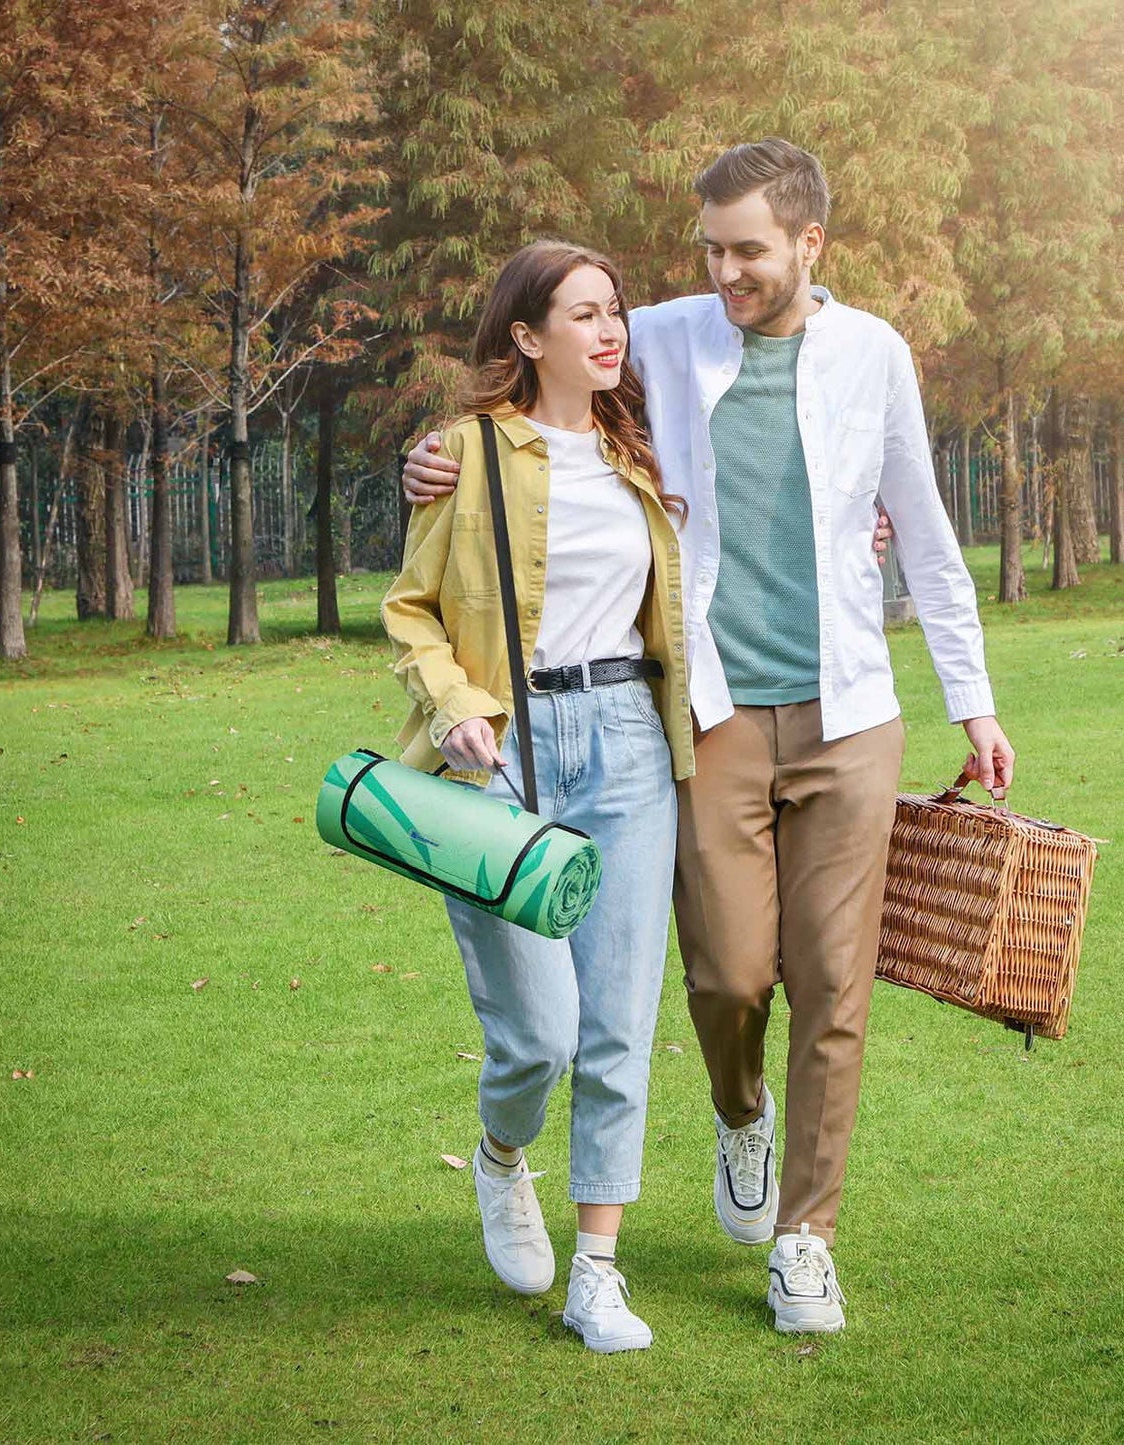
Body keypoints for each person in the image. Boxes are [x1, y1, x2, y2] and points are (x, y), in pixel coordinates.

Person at [401, 140, 1016, 1334]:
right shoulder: (667, 335)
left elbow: (923, 535)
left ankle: (804, 1239)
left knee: (834, 983)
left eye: (747, 250)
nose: (724, 271)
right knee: (729, 974)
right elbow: (530, 422)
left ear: (807, 246)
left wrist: (972, 699)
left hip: (850, 709)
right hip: (711, 710)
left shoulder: (872, 354)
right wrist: (417, 458)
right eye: (711, 250)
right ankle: (741, 1113)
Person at [380, 240, 694, 1353]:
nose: (609, 332)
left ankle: (597, 1272)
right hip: (498, 751)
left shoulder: (640, 453)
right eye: (582, 314)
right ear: (525, 336)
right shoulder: (462, 452)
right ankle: (501, 1153)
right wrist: (457, 701)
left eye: (615, 312)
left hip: (626, 744)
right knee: (542, 1037)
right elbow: (409, 605)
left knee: (617, 1027)